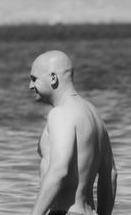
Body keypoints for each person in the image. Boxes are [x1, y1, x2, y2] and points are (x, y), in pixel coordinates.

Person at [28, 50, 117, 215]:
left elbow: (59, 171)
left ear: (53, 78)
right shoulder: (94, 114)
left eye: (34, 79)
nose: (30, 86)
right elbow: (110, 175)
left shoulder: (60, 113)